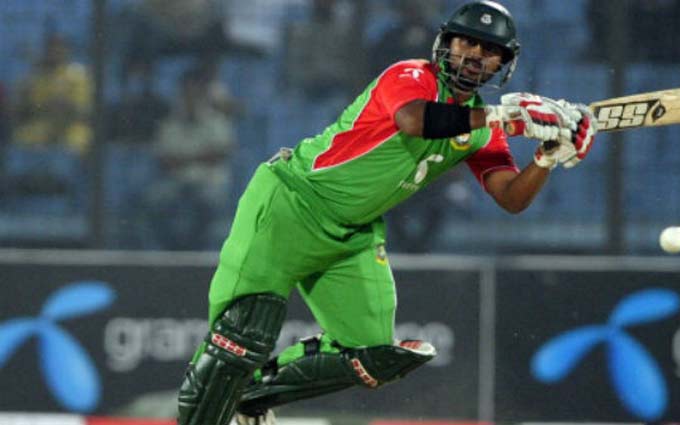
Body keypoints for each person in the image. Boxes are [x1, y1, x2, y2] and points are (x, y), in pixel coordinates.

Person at [176, 2, 597, 425]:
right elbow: (414, 120)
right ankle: (223, 396)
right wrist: (504, 117)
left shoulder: (482, 130)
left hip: (351, 236)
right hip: (291, 205)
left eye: (489, 50)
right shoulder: (410, 75)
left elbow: (510, 197)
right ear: (445, 43)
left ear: (503, 64)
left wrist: (545, 158)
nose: (474, 55)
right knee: (238, 341)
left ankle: (250, 397)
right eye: (466, 42)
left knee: (373, 356)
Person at [143, 67, 236, 250]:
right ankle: (170, 252)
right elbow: (166, 161)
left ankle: (198, 252)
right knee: (154, 202)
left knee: (206, 204)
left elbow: (219, 155)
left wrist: (183, 158)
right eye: (186, 93)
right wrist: (200, 155)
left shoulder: (217, 122)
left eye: (195, 93)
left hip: (208, 182)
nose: (190, 98)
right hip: (175, 183)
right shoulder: (169, 124)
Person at [11, 34, 93, 155]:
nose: (54, 53)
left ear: (67, 51)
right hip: (43, 126)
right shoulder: (38, 76)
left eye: (59, 49)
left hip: (72, 127)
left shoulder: (78, 74)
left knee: (79, 141)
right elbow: (32, 106)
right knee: (22, 138)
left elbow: (83, 108)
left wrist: (65, 105)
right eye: (51, 49)